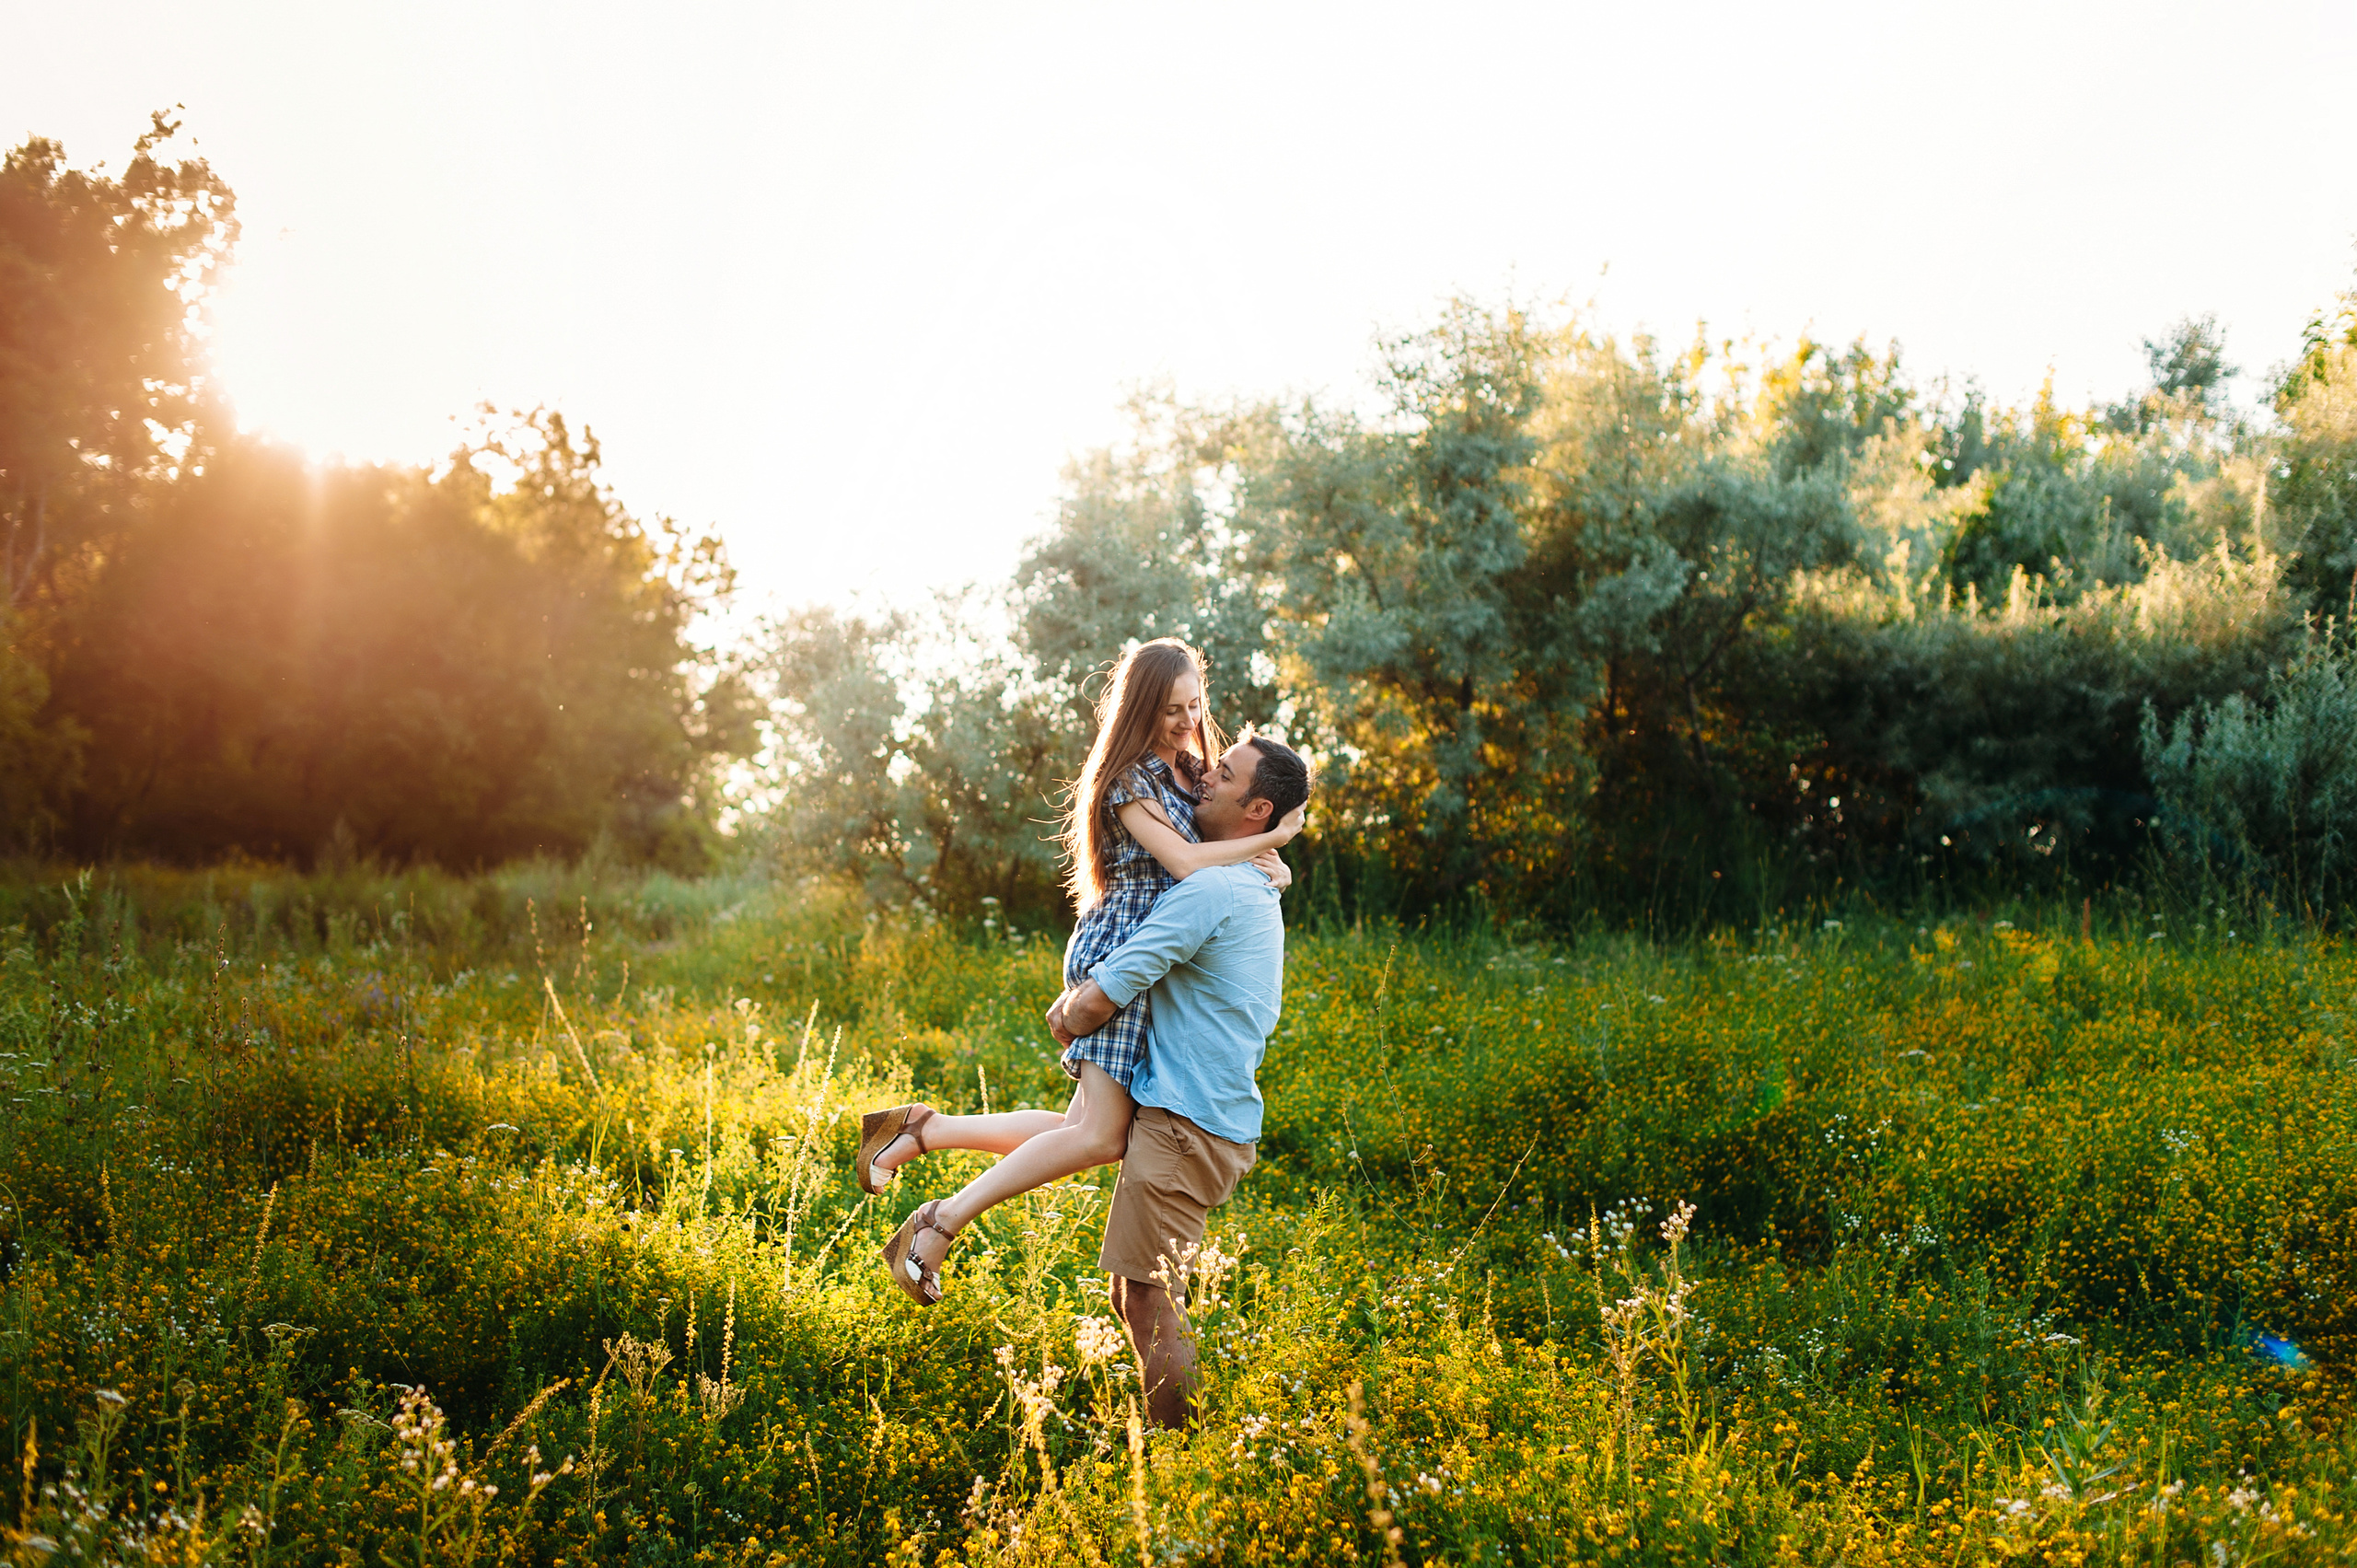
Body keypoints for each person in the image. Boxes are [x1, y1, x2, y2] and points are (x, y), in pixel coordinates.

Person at [856, 639, 1300, 1304]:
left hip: (1155, 958)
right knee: (1099, 1134)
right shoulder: (1129, 780)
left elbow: (1222, 840)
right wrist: (1272, 840)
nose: (1186, 721)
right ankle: (937, 1223)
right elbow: (1183, 863)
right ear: (1141, 706)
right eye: (1170, 708)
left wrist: (1259, 854)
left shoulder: (1189, 768)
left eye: (1194, 706)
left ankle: (922, 1129)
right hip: (1123, 948)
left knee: (1084, 1130)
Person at [1049, 731, 1310, 1425]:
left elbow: (1120, 979)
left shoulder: (1217, 885)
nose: (1205, 780)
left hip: (1187, 1124)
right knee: (1130, 1292)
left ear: (1256, 809)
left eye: (1223, 776)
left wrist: (1071, 1008)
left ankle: (1179, 1454)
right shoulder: (1247, 875)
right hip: (1203, 1117)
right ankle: (1175, 1440)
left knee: (1147, 1298)